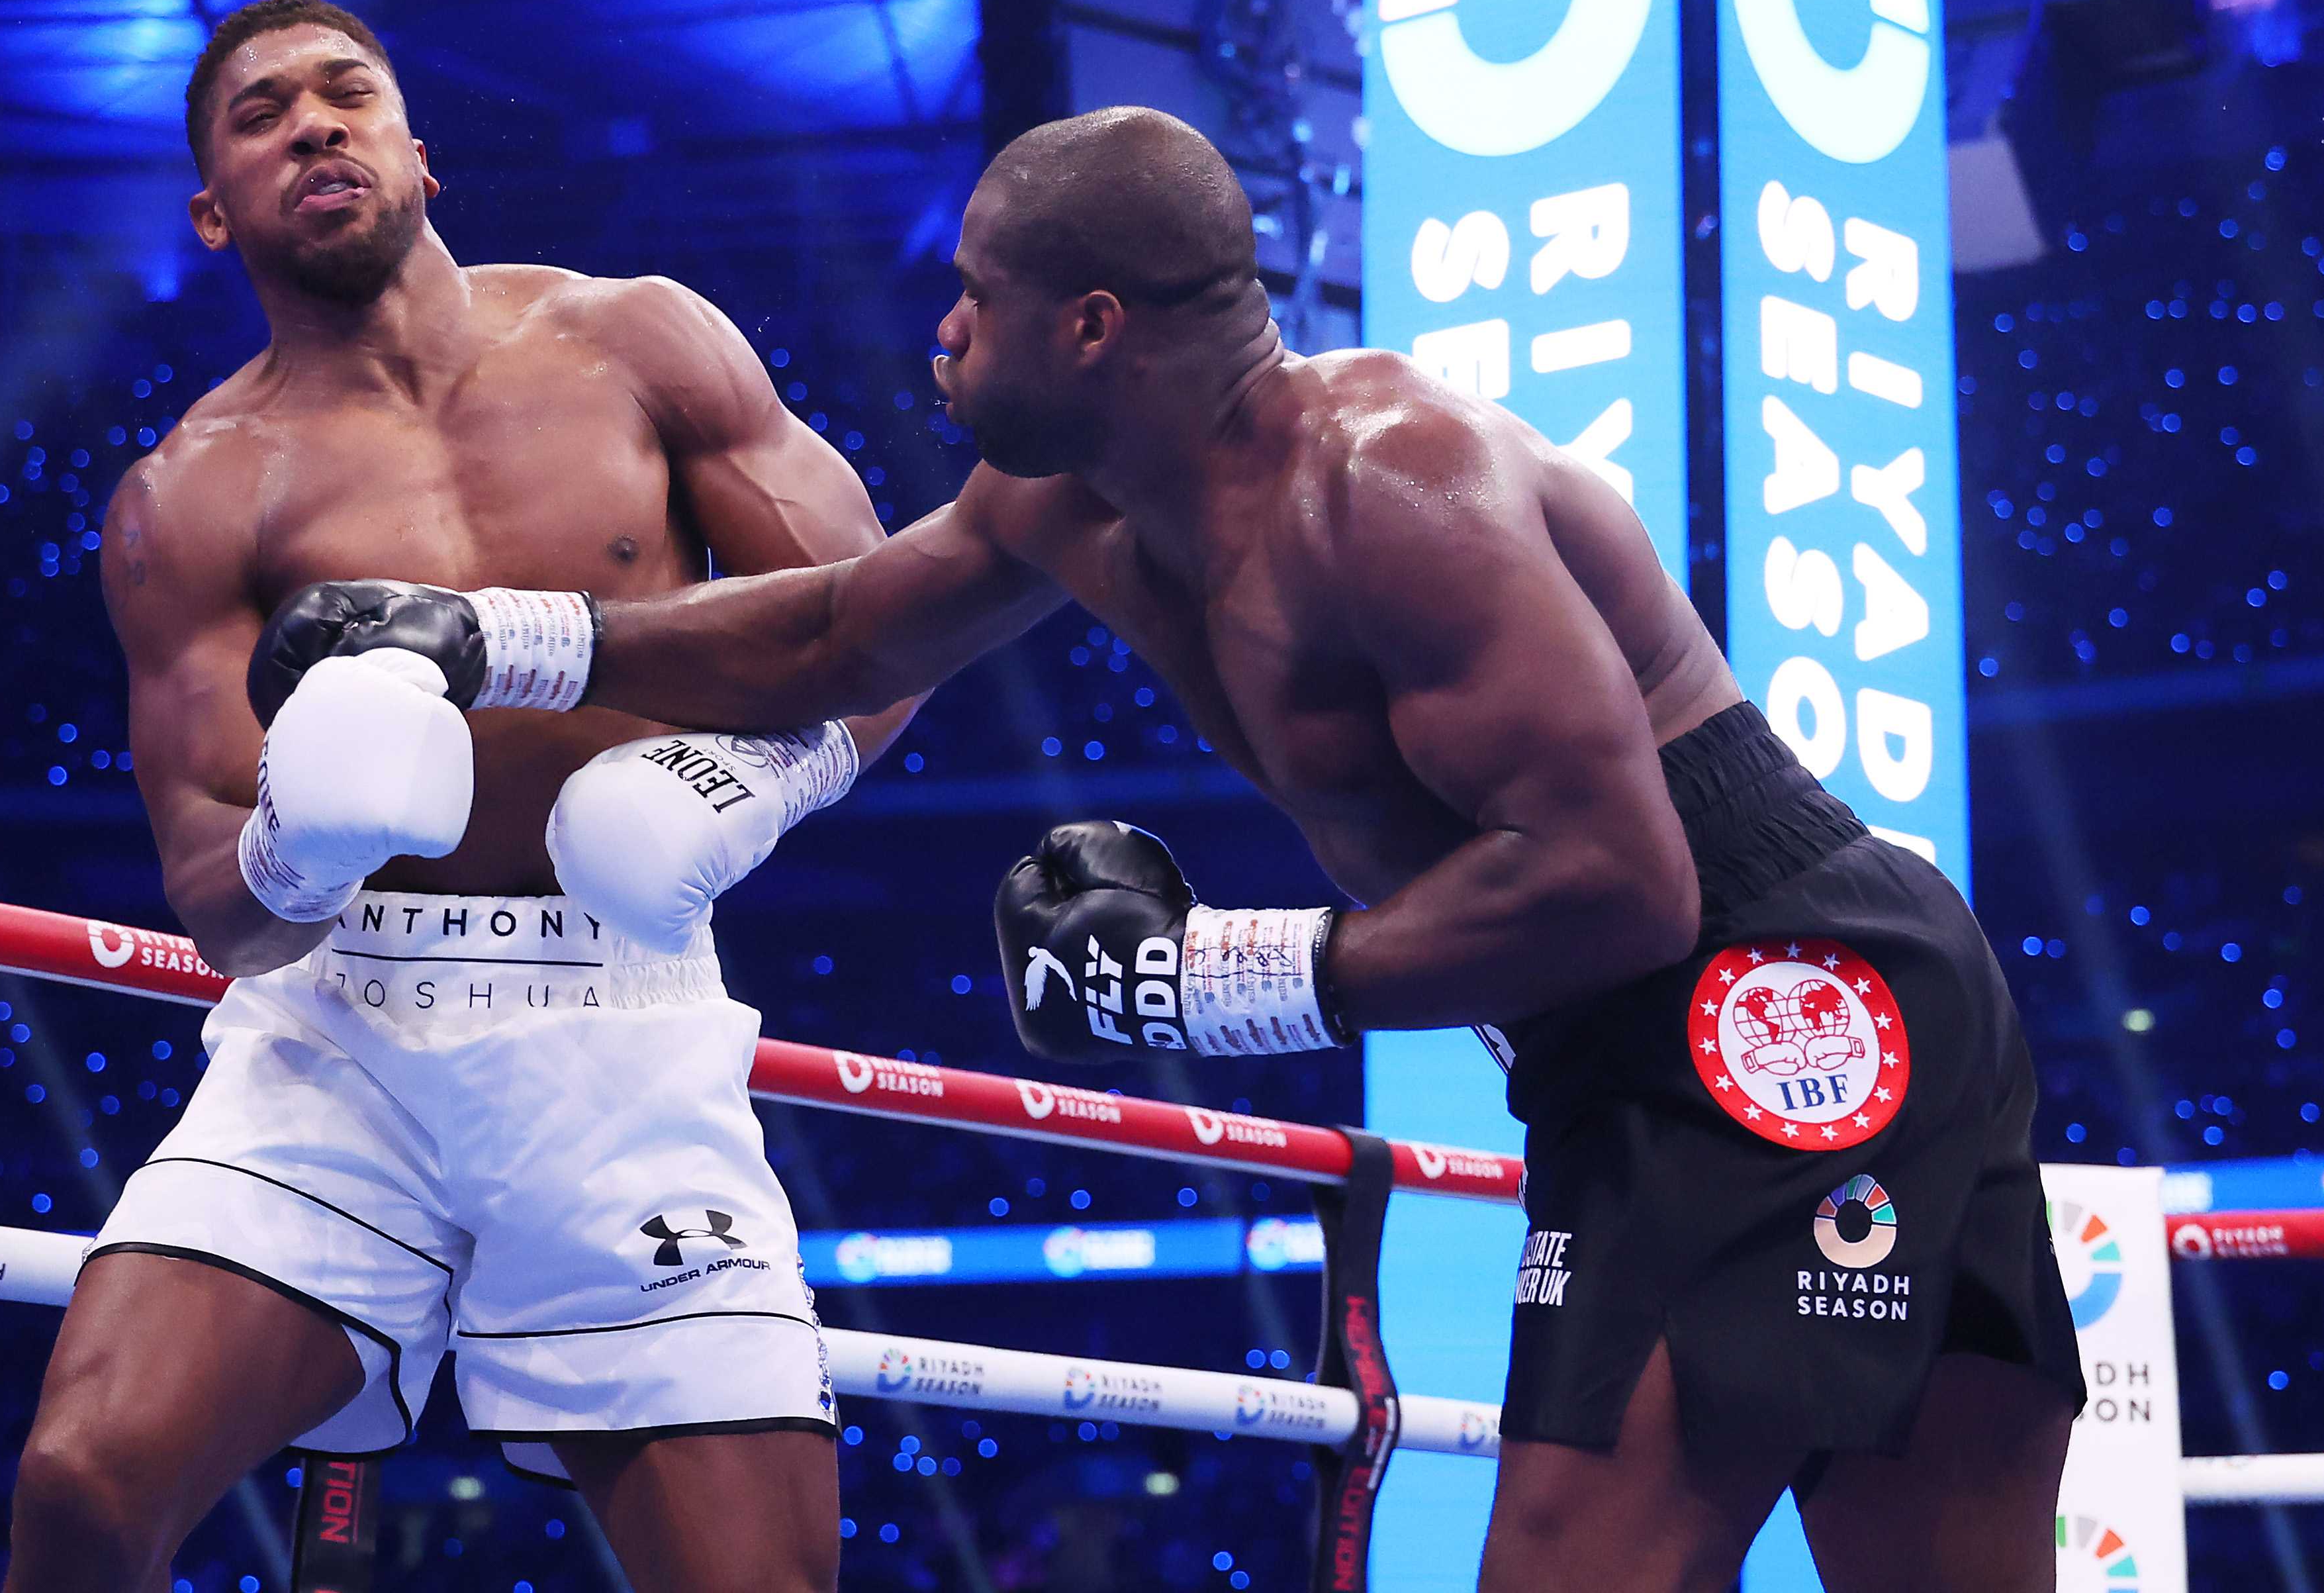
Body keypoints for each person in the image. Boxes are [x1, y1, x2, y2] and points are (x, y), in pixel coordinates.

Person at [275, 107, 2089, 1590]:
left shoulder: (1391, 493)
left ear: (1095, 328)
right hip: (1681, 1025)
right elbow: (834, 637)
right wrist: (500, 636)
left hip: (1766, 996)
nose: (942, 330)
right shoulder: (1069, 501)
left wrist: (1212, 974)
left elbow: (1625, 879)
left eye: (977, 297)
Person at [5, 0, 908, 1593]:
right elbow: (208, 879)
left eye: (347, 91)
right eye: (263, 113)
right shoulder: (192, 492)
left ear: (420, 148)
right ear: (216, 208)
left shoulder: (637, 340)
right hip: (339, 1034)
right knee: (84, 1480)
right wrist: (299, 841)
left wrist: (749, 785)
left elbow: (879, 621)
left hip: (619, 1026)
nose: (313, 123)